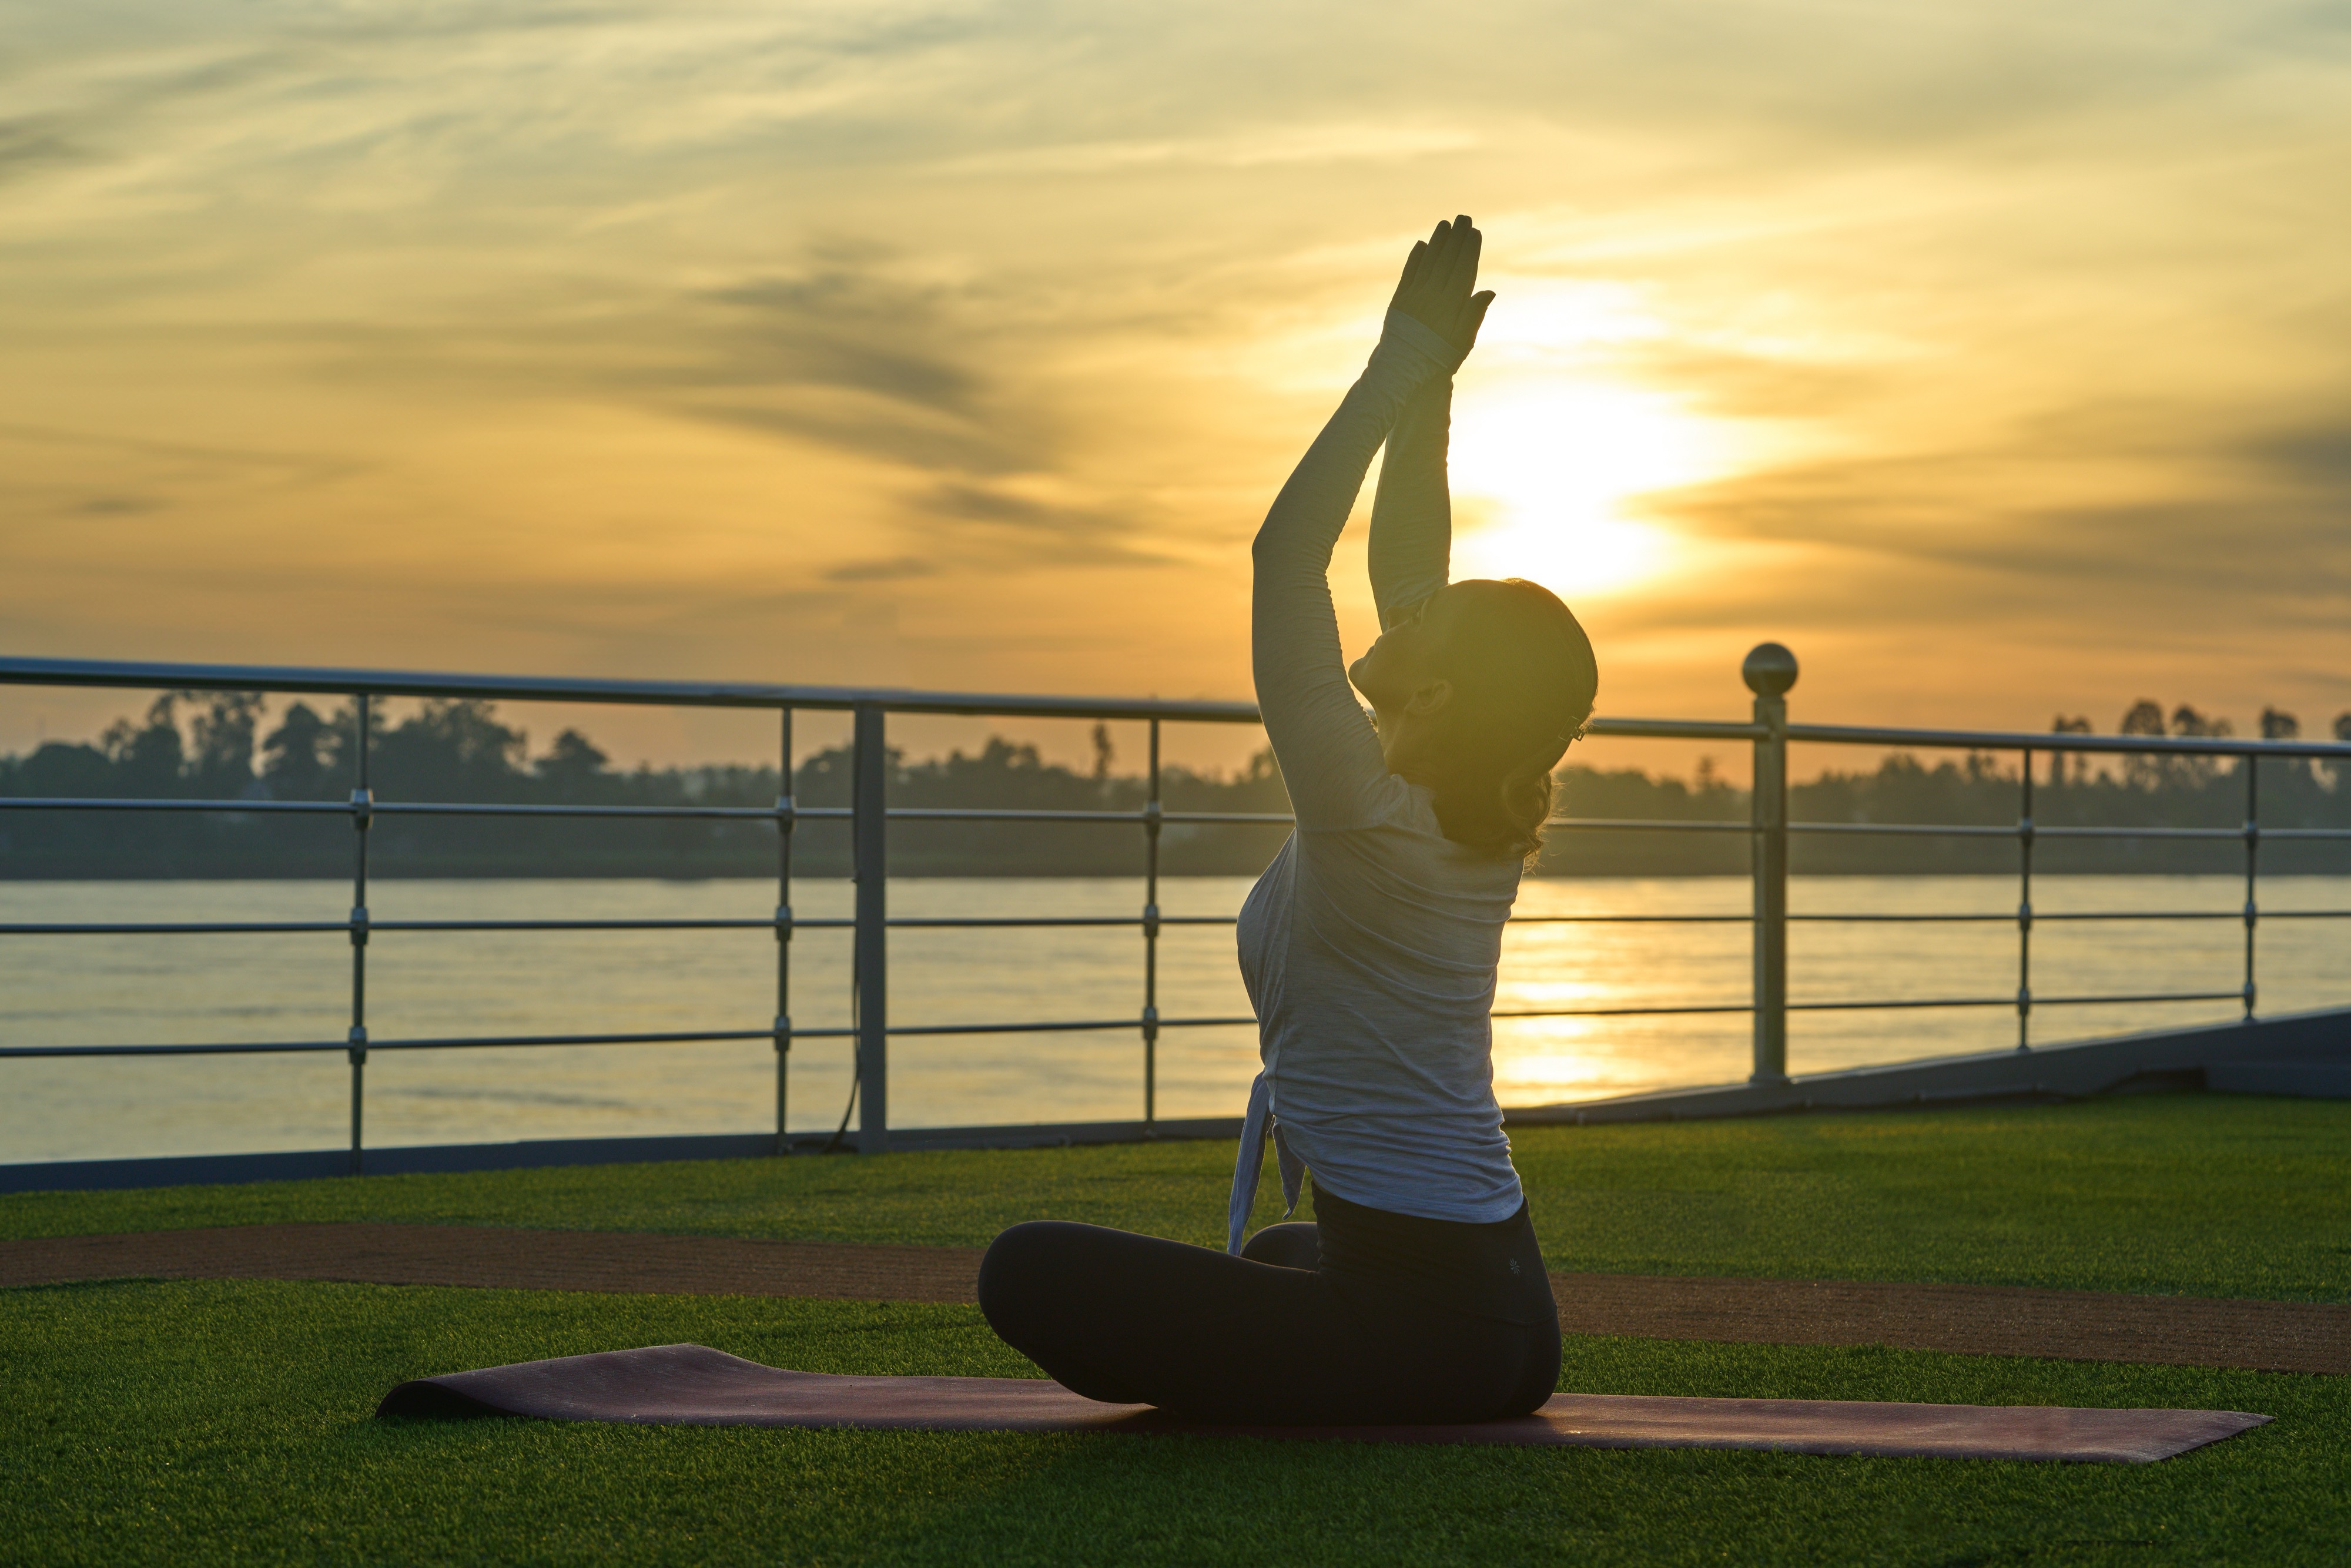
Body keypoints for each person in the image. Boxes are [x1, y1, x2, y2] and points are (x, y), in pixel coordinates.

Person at [977, 216, 1600, 1425]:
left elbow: (1284, 556)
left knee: (1023, 1268)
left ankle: (1322, 1368)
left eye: (1423, 622)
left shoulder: (1363, 813)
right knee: (1273, 1255)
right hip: (1502, 1321)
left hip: (1431, 1330)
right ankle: (1321, 1350)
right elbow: (1412, 563)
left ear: (1434, 692)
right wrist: (1430, 387)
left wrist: (1395, 358)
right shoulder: (1443, 817)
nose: (1399, 610)